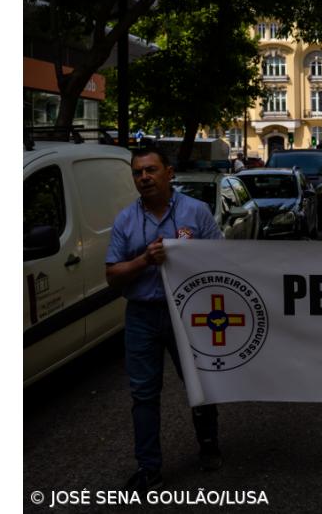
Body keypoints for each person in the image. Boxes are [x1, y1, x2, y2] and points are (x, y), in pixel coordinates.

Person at [105, 147, 223, 493]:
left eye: (151, 170)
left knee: (199, 385)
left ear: (169, 173)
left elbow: (222, 260)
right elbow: (112, 275)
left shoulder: (196, 212)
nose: (144, 178)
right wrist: (145, 260)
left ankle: (209, 444)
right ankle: (149, 468)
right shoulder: (125, 220)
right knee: (143, 394)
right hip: (142, 315)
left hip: (188, 315)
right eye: (138, 173)